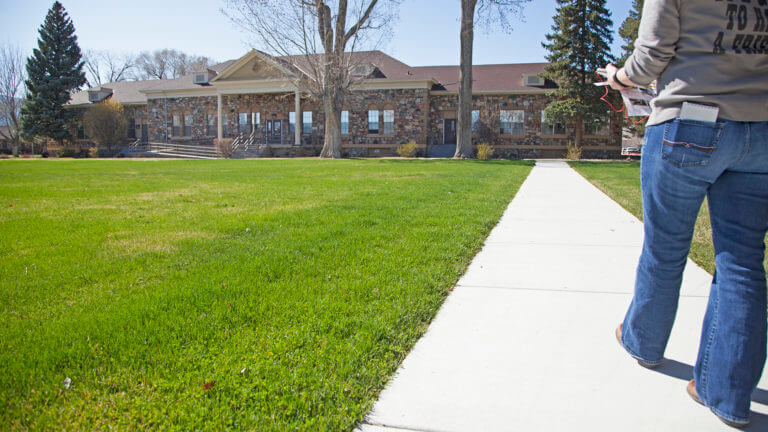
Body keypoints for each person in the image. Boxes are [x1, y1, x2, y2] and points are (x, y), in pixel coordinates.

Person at [605, 0, 768, 428]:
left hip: (690, 120)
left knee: (665, 248)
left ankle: (643, 343)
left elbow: (651, 56)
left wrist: (618, 78)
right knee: (743, 261)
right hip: (763, 129)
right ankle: (725, 393)